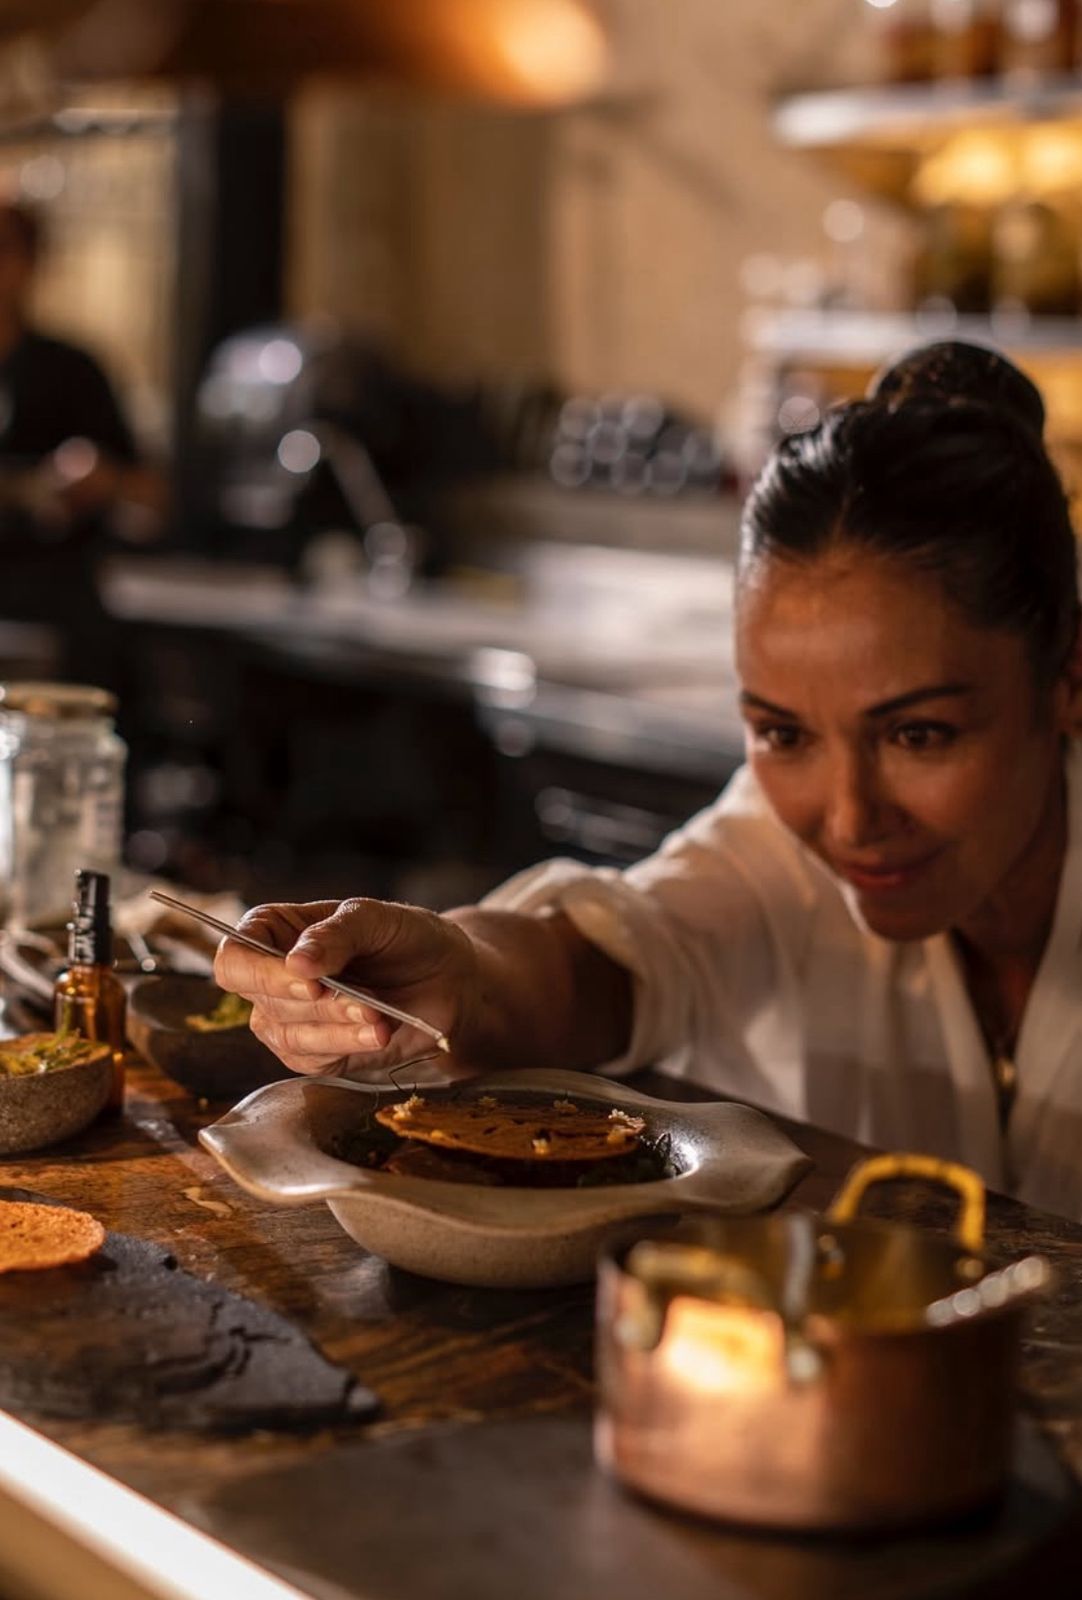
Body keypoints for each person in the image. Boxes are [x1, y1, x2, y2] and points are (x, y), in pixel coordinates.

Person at [215, 340, 1082, 1221]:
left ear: (1069, 680)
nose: (850, 818)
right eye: (784, 733)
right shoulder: (778, 849)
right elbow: (606, 956)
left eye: (918, 734)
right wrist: (458, 978)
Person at [0, 197, 165, 681]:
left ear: (31, 263)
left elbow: (153, 493)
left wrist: (104, 481)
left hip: (52, 605)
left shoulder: (71, 370)